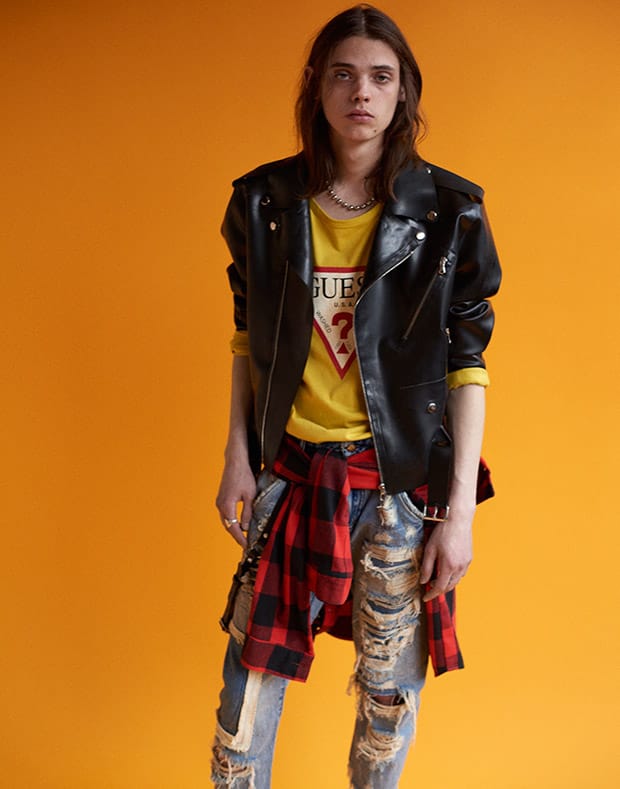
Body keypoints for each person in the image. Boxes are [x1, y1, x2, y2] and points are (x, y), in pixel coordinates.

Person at [211, 5, 501, 787]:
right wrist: (237, 457)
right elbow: (246, 339)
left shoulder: (450, 213)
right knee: (245, 701)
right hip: (290, 476)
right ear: (317, 87)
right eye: (343, 74)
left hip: (399, 487)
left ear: (404, 91)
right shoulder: (264, 204)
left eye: (380, 76)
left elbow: (467, 367)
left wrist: (459, 516)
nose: (361, 93)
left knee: (388, 701)